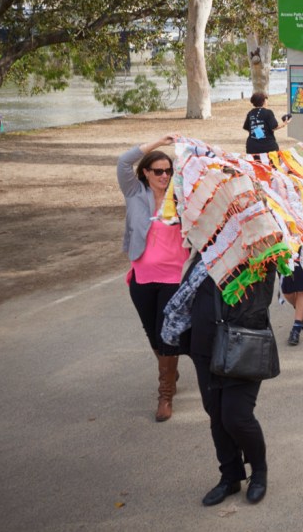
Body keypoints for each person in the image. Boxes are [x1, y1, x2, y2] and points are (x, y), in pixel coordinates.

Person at [187, 258, 274, 506]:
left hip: (243, 343)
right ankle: (230, 476)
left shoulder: (260, 250)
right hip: (205, 342)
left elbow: (258, 300)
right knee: (216, 414)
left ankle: (259, 472)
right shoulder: (204, 251)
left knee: (236, 416)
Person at [117, 134, 190, 422]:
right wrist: (159, 142)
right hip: (142, 277)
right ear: (146, 173)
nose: (164, 176)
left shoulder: (181, 197)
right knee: (153, 334)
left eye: (168, 171)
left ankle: (165, 395)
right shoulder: (135, 193)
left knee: (167, 333)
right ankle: (169, 369)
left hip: (174, 278)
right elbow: (123, 161)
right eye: (158, 171)